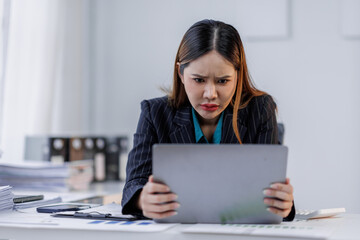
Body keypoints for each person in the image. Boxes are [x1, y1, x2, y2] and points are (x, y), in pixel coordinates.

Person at [121, 19, 295, 221]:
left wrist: (282, 202)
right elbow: (133, 185)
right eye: (199, 80)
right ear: (181, 73)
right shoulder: (154, 112)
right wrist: (143, 199)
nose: (210, 94)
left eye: (222, 81)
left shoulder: (261, 109)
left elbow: (271, 190)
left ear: (237, 76)